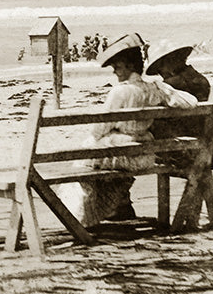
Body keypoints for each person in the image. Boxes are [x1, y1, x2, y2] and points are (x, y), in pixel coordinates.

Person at [57, 34, 196, 226]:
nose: (115, 73)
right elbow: (190, 102)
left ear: (130, 66)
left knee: (82, 167)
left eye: (117, 67)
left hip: (122, 157)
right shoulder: (154, 89)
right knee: (95, 166)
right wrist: (163, 89)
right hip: (143, 156)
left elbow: (98, 130)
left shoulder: (120, 92)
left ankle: (80, 220)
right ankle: (112, 210)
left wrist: (112, 132)